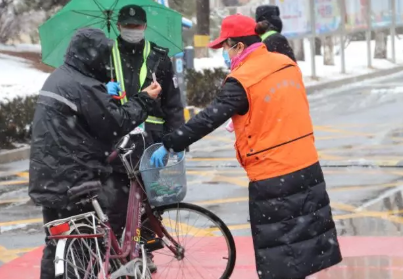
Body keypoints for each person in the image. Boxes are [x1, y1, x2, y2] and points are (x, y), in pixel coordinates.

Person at [150, 14, 342, 279]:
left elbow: (209, 118)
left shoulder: (243, 79)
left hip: (275, 177)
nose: (224, 55)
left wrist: (172, 142)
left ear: (238, 45)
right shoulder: (285, 63)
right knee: (305, 247)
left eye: (225, 48)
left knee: (281, 255)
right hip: (307, 166)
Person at [28, 28, 162, 279]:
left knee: (57, 243)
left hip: (47, 177)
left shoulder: (59, 78)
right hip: (76, 178)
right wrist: (145, 99)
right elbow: (116, 123)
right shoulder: (85, 85)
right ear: (94, 56)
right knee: (92, 240)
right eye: (105, 56)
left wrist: (104, 95)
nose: (107, 62)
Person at [104, 4, 185, 271]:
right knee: (118, 202)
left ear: (145, 27)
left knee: (149, 205)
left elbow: (173, 103)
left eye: (137, 26)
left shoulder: (160, 58)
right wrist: (104, 90)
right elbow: (90, 96)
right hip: (117, 138)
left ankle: (144, 251)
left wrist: (177, 140)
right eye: (127, 27)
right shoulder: (104, 56)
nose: (132, 31)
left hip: (152, 141)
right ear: (118, 27)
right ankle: (120, 253)